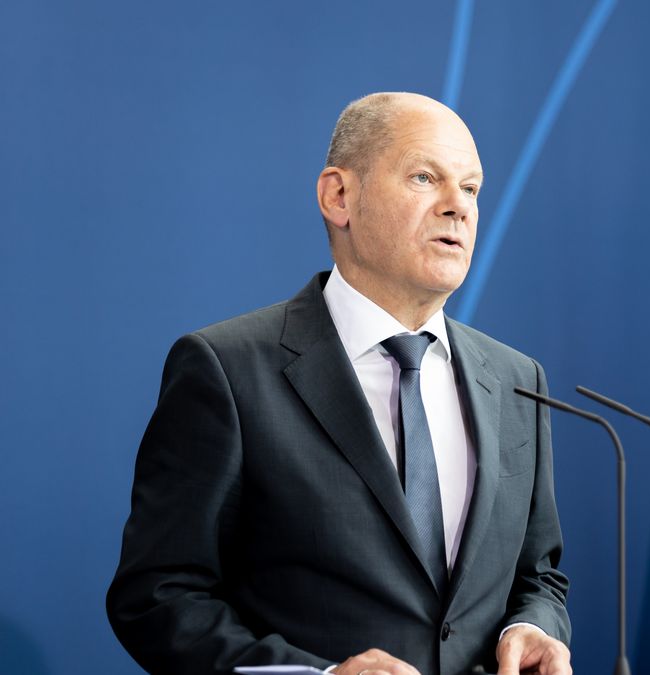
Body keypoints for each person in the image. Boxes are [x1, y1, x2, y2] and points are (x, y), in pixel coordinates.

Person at [107, 93, 572, 675]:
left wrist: (533, 627)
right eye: (426, 177)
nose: (459, 207)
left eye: (473, 188)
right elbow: (158, 598)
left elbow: (538, 575)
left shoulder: (515, 381)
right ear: (339, 196)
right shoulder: (226, 369)